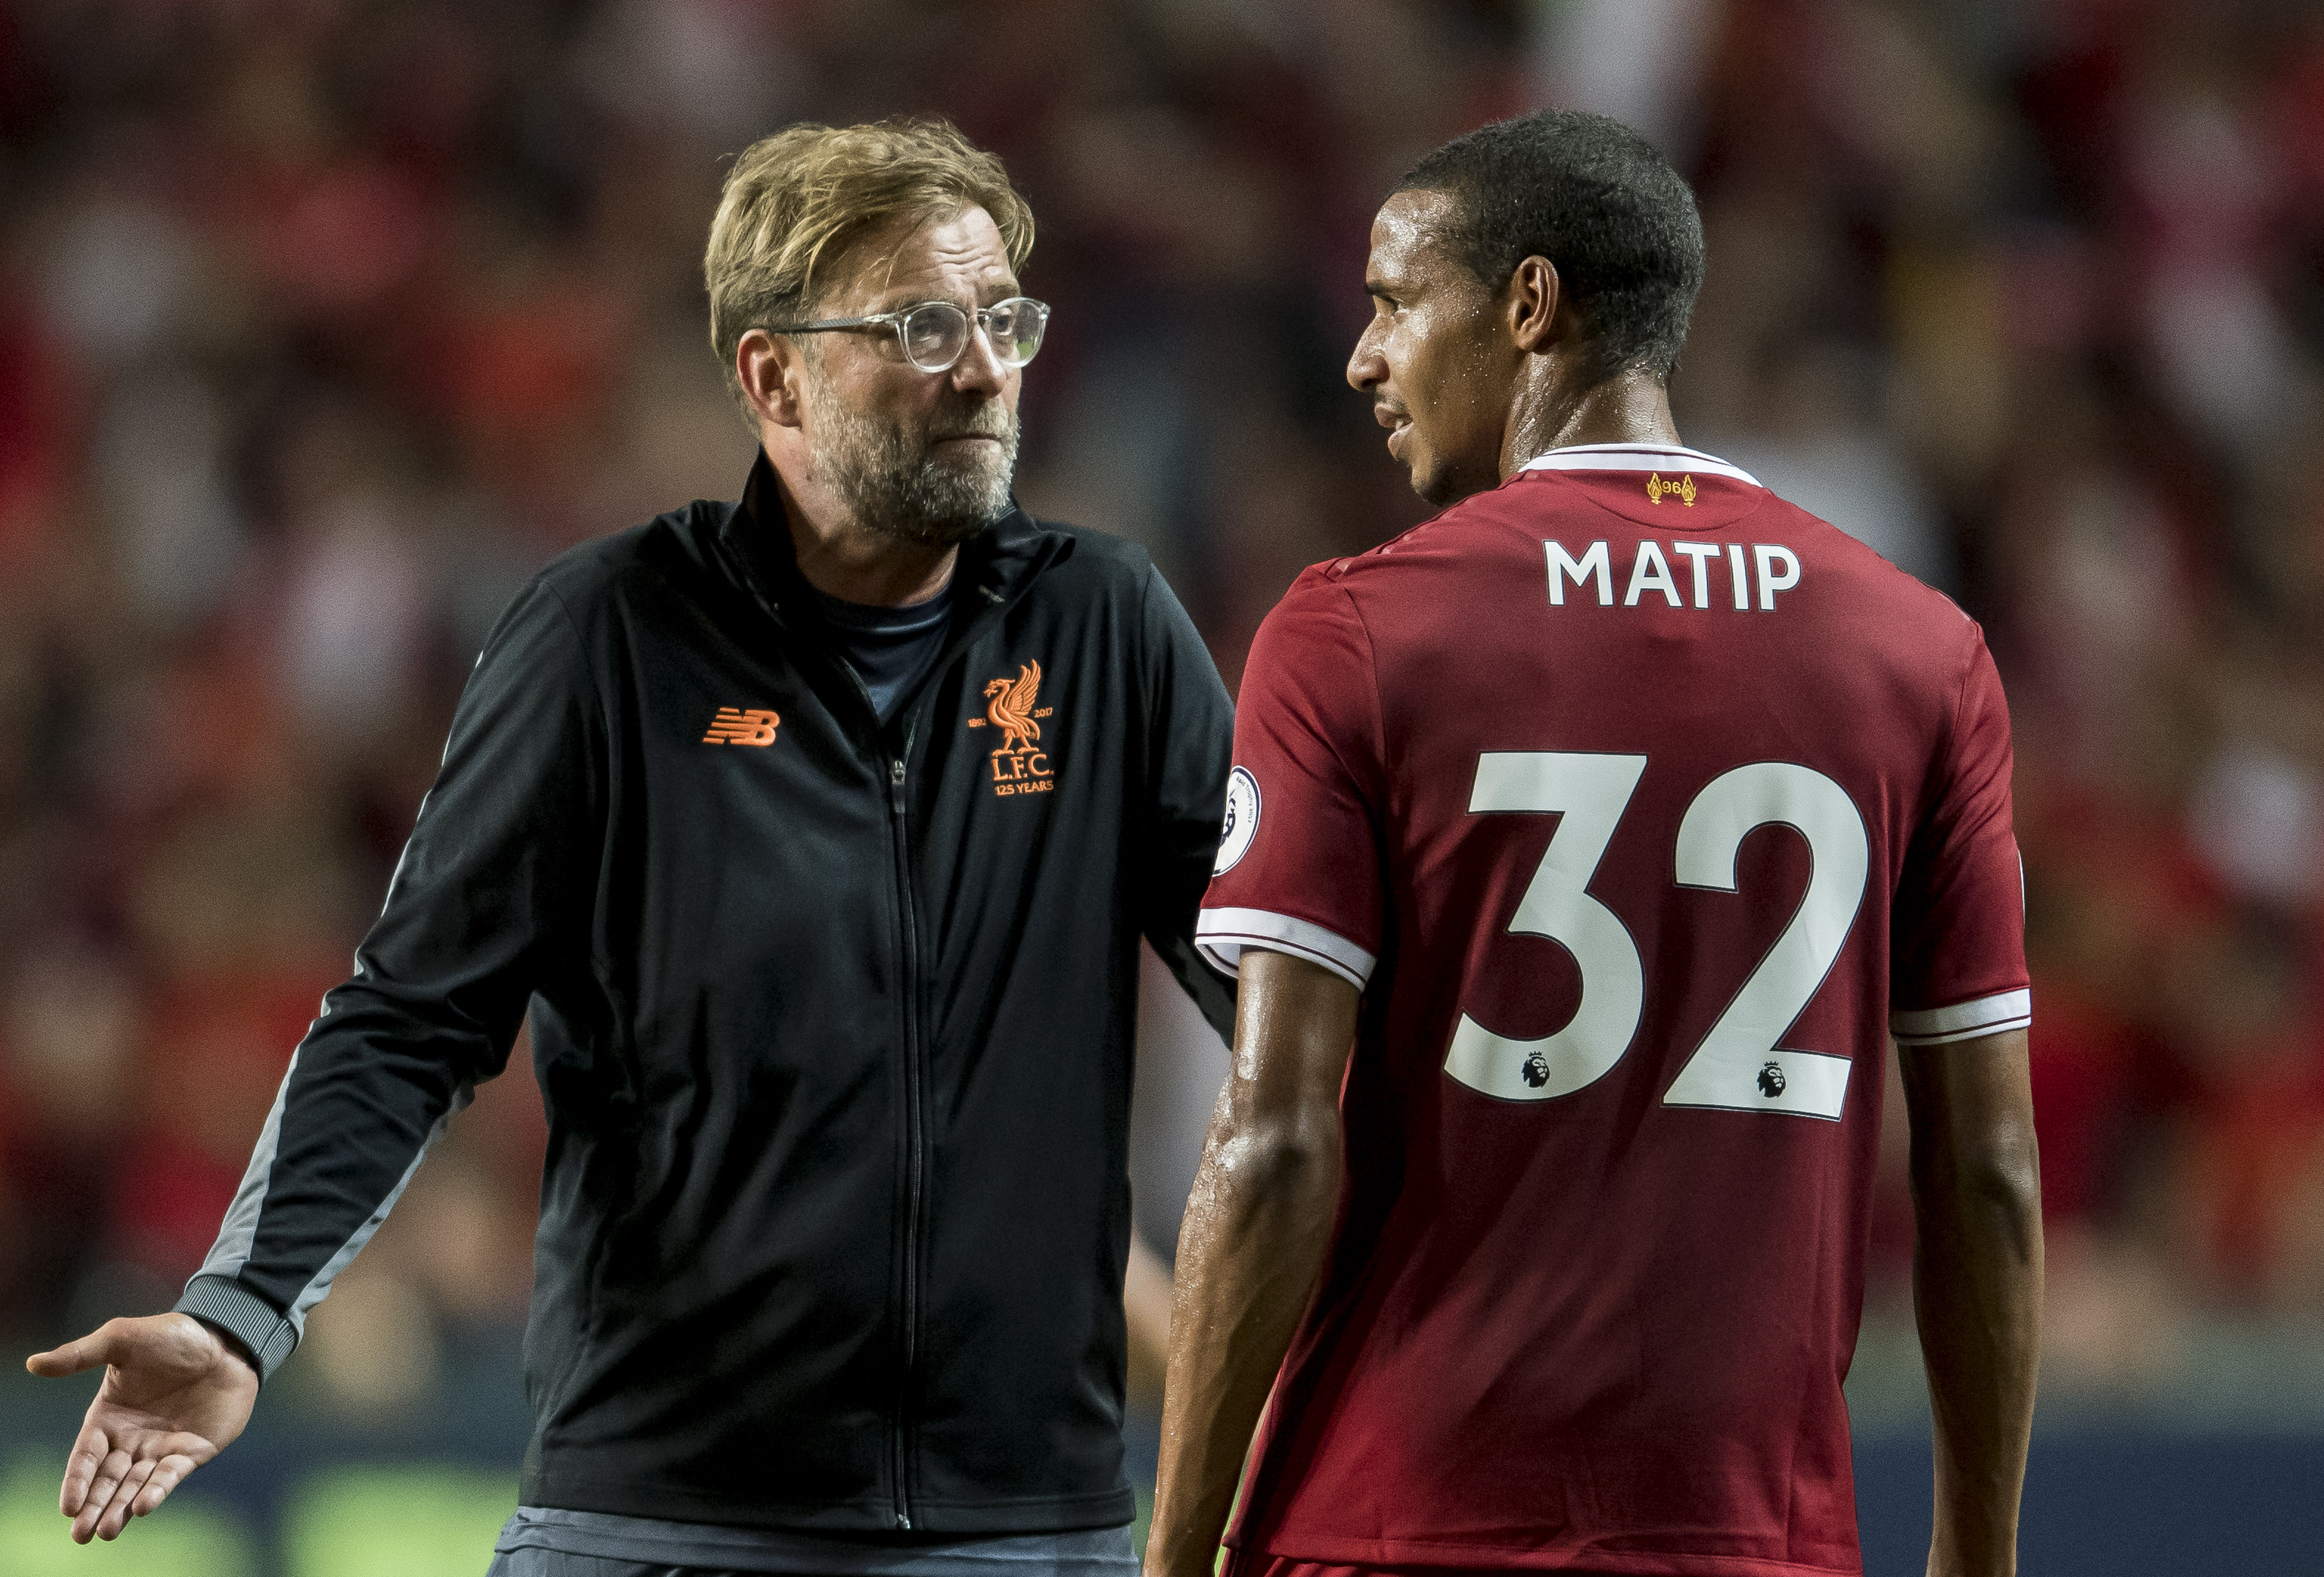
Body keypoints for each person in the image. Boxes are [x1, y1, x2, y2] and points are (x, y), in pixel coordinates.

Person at [28, 117, 1236, 1575]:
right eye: (923, 324)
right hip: (662, 1526)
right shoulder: (607, 635)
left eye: (1002, 319)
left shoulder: (1104, 628)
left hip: (1026, 1530)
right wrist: (239, 1310)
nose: (984, 366)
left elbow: (1286, 985)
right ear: (770, 373)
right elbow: (411, 1016)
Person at [1145, 110, 2041, 1577]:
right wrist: (1980, 1560)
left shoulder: (1354, 630)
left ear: (1529, 306)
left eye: (1391, 301)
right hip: (1757, 1537)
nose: (1364, 357)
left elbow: (1278, 1134)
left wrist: (1178, 1559)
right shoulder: (1923, 651)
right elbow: (1988, 1168)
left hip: (1401, 1522)